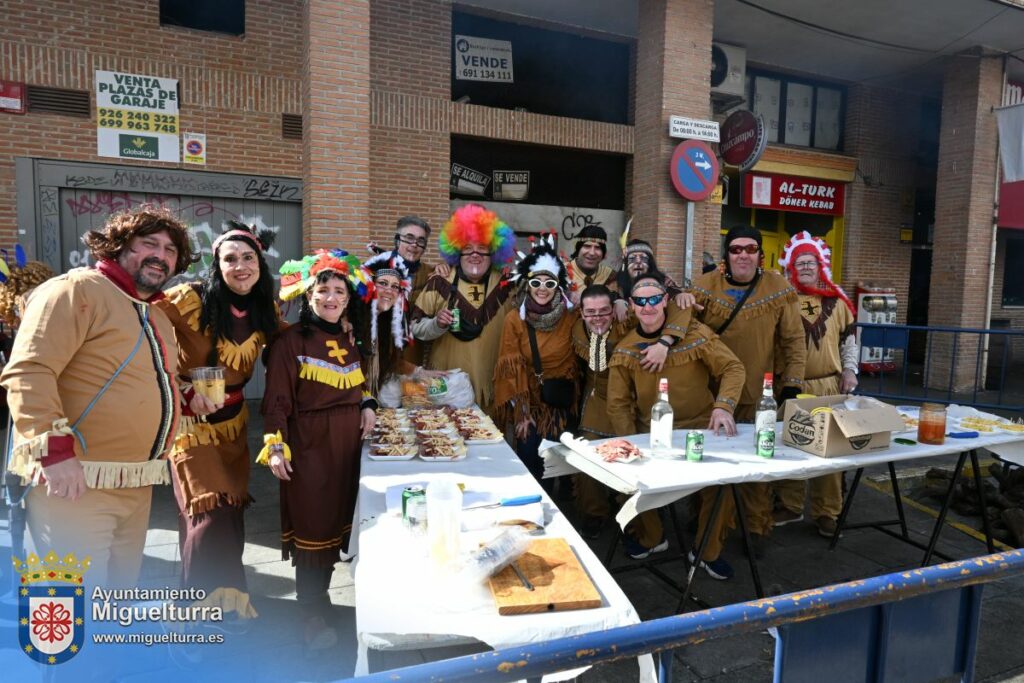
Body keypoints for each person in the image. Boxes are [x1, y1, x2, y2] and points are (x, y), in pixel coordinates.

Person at [0, 207, 193, 587]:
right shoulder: (75, 290)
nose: (161, 255)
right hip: (74, 481)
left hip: (137, 482)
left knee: (116, 600)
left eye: (171, 250)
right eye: (149, 244)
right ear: (118, 246)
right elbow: (29, 371)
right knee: (72, 609)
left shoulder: (157, 315)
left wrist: (187, 401)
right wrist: (54, 454)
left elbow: (146, 382)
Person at [156, 221, 279, 618]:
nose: (240, 266)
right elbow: (144, 337)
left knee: (228, 512)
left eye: (248, 258)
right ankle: (198, 608)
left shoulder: (265, 310)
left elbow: (292, 344)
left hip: (233, 426)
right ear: (217, 264)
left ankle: (221, 600)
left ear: (260, 263)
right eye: (230, 259)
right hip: (190, 426)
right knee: (211, 510)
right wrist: (181, 389)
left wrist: (341, 325)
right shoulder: (187, 299)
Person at [259, 249, 377, 649]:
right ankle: (309, 611)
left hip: (348, 448)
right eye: (322, 290)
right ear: (308, 295)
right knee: (313, 530)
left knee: (338, 526)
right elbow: (275, 401)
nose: (330, 297)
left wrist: (367, 405)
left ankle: (323, 597)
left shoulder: (347, 336)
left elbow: (359, 383)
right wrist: (276, 448)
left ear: (348, 298)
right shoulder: (289, 342)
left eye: (339, 291)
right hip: (310, 450)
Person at [606, 275, 745, 565]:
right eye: (641, 301)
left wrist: (724, 406)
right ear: (631, 305)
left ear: (665, 301)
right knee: (630, 480)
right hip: (652, 434)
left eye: (654, 299)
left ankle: (706, 551)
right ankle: (652, 538)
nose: (648, 307)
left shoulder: (696, 333)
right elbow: (618, 404)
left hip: (702, 427)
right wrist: (631, 443)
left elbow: (732, 367)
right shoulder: (625, 349)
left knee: (723, 486)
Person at [690, 225, 806, 565]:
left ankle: (755, 528)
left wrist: (794, 383)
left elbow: (793, 340)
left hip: (758, 395)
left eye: (750, 249)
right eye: (736, 249)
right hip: (710, 397)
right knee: (704, 467)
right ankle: (704, 525)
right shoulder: (703, 286)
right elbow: (681, 328)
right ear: (726, 255)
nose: (743, 255)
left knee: (757, 468)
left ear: (760, 254)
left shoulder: (778, 288)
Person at [570, 284, 695, 546]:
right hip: (595, 400)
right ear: (581, 313)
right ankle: (595, 515)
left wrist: (680, 295)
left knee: (634, 459)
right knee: (587, 457)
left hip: (631, 399)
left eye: (604, 310)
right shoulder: (575, 328)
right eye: (590, 312)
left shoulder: (625, 321)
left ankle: (640, 523)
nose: (598, 317)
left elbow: (667, 311)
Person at [773, 232, 859, 538]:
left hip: (828, 386)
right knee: (791, 448)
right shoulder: (781, 299)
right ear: (792, 268)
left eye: (810, 262)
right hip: (791, 386)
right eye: (800, 263)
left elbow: (849, 340)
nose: (806, 267)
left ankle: (827, 511)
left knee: (829, 451)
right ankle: (790, 505)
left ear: (820, 265)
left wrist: (850, 370)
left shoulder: (837, 301)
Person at [411, 204, 516, 416]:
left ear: (494, 253)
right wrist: (436, 324)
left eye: (482, 249)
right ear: (456, 252)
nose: (474, 255)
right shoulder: (439, 282)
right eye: (467, 249)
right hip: (447, 391)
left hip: (493, 390)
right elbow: (415, 328)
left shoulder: (507, 285)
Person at [493, 235, 578, 482]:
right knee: (532, 467)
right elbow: (511, 367)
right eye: (536, 281)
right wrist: (521, 412)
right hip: (529, 406)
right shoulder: (514, 319)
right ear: (527, 284)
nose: (542, 288)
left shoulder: (571, 316)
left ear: (558, 286)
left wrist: (616, 302)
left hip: (561, 404)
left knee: (561, 469)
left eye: (549, 283)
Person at [369, 215, 447, 366]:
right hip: (378, 353)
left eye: (420, 240)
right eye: (409, 238)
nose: (414, 244)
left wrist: (443, 267)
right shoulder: (375, 269)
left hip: (412, 357)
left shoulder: (430, 274)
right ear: (397, 239)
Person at [613, 238, 692, 321]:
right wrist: (617, 301)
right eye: (632, 258)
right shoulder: (616, 282)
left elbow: (674, 295)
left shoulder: (663, 282)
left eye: (643, 258)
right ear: (625, 263)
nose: (638, 261)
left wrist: (679, 296)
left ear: (650, 263)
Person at [566, 225, 615, 302]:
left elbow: (615, 298)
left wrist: (619, 302)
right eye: (587, 246)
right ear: (578, 249)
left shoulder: (610, 275)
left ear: (603, 253)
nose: (592, 253)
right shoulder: (562, 272)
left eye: (597, 248)